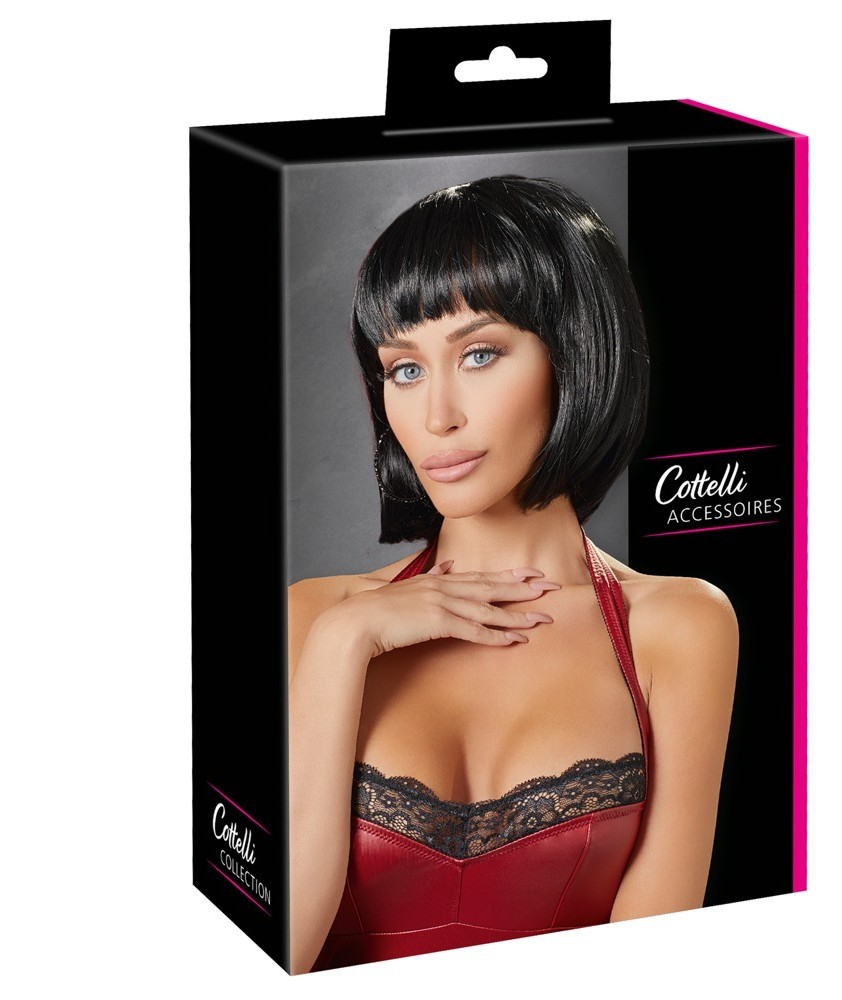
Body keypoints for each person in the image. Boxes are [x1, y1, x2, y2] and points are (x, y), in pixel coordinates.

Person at [287, 176, 738, 974]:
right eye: (404, 369)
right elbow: (275, 952)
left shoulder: (680, 628)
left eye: (480, 354)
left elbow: (659, 970)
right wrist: (342, 643)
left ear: (574, 350)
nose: (437, 417)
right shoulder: (314, 619)